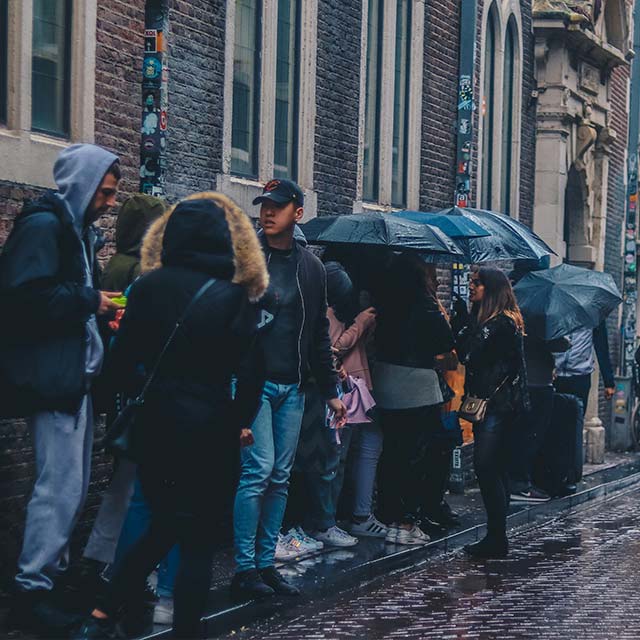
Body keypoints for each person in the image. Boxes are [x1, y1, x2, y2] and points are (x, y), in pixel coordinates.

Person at [73, 192, 268, 639]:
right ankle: (182, 628)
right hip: (211, 428)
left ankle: (105, 609)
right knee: (196, 539)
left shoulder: (149, 286)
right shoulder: (235, 297)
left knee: (164, 522)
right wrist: (239, 418)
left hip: (158, 424)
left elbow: (121, 364)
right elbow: (253, 372)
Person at [0, 144, 123, 634]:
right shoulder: (46, 227)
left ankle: (49, 577)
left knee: (69, 488)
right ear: (84, 185)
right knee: (58, 487)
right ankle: (32, 589)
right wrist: (91, 300)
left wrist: (99, 312)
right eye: (106, 193)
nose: (110, 203)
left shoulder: (76, 230)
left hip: (75, 378)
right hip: (56, 380)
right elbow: (23, 298)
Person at [231, 179, 346, 600]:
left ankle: (266, 563)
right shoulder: (246, 258)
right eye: (264, 205)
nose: (268, 212)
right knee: (257, 472)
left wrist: (331, 391)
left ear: (298, 212)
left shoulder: (311, 268)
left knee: (280, 476)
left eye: (278, 206)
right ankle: (244, 568)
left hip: (294, 388)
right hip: (253, 385)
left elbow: (317, 332)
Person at [373, 254, 455, 546]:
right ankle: (407, 523)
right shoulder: (425, 304)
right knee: (415, 457)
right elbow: (446, 342)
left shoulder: (383, 303)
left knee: (392, 454)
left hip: (385, 383)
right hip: (417, 387)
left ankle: (389, 519)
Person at [452, 267, 529, 559]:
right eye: (471, 282)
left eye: (477, 284)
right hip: (496, 406)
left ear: (492, 290)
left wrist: (463, 319)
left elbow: (469, 352)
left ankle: (497, 537)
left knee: (486, 467)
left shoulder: (501, 325)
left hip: (498, 407)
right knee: (492, 468)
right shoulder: (493, 322)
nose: (472, 287)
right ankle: (496, 536)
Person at [554, 322, 615, 414]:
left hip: (580, 376)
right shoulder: (556, 311)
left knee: (576, 420)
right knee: (554, 420)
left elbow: (602, 347)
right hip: (555, 376)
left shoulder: (593, 313)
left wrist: (608, 382)